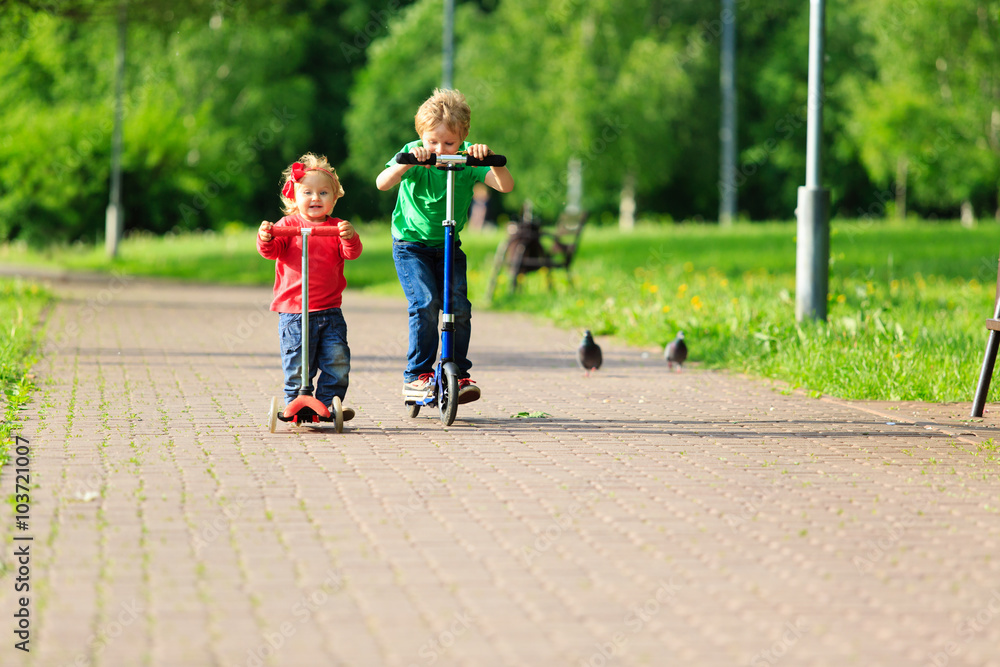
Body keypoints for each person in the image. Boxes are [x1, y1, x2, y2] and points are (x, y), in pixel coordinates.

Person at [376, 88, 514, 405]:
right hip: (411, 246)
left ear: (462, 139)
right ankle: (417, 376)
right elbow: (383, 182)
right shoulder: (413, 152)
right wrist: (408, 164)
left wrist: (491, 160)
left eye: (449, 143)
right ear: (421, 137)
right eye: (432, 142)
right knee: (426, 303)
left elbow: (505, 186)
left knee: (459, 308)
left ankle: (458, 372)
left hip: (449, 245)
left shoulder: (467, 159)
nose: (440, 150)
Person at [257, 153, 363, 420]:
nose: (316, 198)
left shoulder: (337, 227)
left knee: (337, 361)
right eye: (308, 192)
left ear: (335, 197)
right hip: (294, 312)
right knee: (297, 364)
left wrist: (350, 237)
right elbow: (270, 251)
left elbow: (352, 252)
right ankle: (296, 403)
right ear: (294, 196)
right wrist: (266, 236)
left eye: (323, 192)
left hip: (329, 311)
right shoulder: (287, 225)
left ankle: (328, 403)